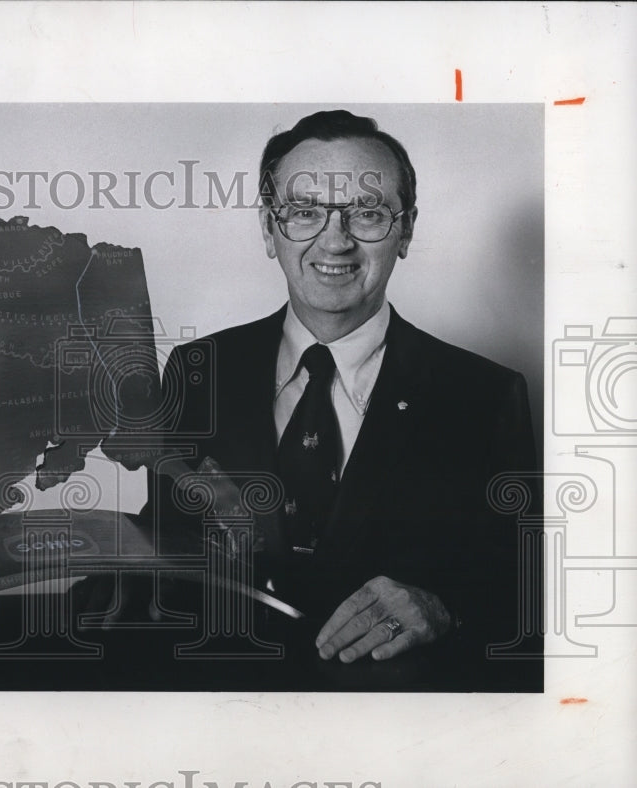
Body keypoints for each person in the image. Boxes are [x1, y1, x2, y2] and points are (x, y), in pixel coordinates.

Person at [144, 110, 539, 685]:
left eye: (369, 213)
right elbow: (165, 553)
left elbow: (522, 593)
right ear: (268, 227)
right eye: (305, 212)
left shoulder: (485, 395)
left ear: (406, 231)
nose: (335, 240)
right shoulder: (196, 370)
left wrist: (446, 607)